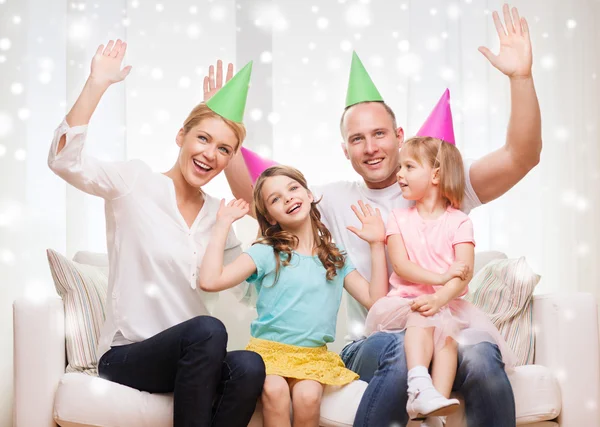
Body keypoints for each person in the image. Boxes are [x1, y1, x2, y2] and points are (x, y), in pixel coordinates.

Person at [219, 5, 541, 427]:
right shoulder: (334, 201)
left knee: (480, 356)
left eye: (379, 134)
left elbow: (521, 156)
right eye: (357, 138)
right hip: (374, 342)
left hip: (448, 335)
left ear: (400, 136)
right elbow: (260, 196)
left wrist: (520, 78)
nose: (370, 147)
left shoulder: (440, 187)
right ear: (345, 150)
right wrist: (223, 128)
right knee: (397, 343)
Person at [47, 39, 265, 427]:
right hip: (127, 355)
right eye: (202, 138)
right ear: (181, 136)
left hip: (197, 354)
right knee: (208, 331)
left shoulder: (219, 216)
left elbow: (246, 281)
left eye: (224, 149)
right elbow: (63, 160)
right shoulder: (135, 181)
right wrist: (96, 84)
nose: (210, 155)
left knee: (248, 365)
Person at [198, 165, 388, 427]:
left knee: (308, 396)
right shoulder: (267, 251)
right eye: (275, 199)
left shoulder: (335, 257)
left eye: (293, 188)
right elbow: (210, 281)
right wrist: (222, 225)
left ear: (310, 194)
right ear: (271, 217)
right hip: (268, 353)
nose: (287, 197)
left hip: (313, 356)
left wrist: (377, 244)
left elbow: (375, 301)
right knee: (274, 391)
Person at [364, 136, 517, 425]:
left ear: (435, 174)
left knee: (447, 334)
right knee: (425, 315)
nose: (400, 174)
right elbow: (402, 265)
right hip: (404, 303)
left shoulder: (460, 221)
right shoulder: (397, 218)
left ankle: (435, 409)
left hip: (447, 304)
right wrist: (439, 280)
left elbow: (464, 273)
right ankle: (419, 383)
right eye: (400, 167)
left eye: (408, 167)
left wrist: (440, 297)